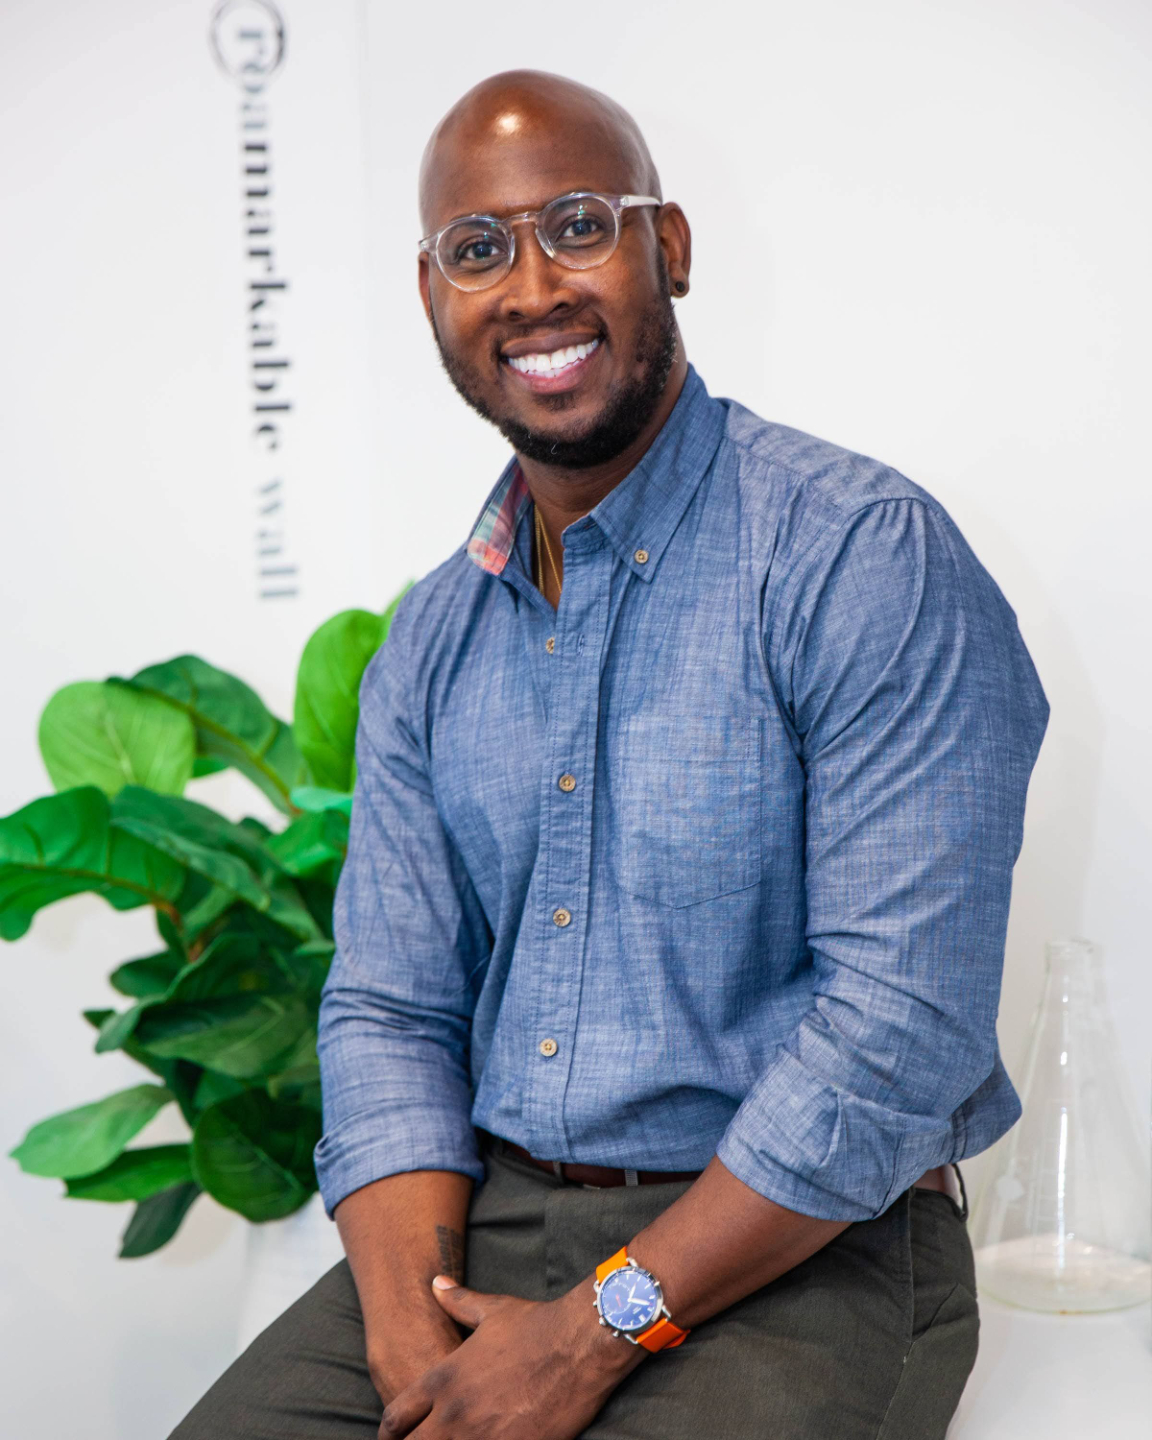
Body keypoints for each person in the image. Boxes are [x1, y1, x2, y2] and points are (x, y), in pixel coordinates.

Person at [169, 68, 1049, 1440]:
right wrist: (411, 1340)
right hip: (493, 1220)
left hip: (801, 1249)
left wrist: (588, 1337)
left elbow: (900, 1033)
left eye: (579, 225)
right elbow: (391, 1010)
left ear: (668, 247)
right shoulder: (431, 640)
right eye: (478, 249)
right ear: (432, 297)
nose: (532, 288)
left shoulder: (861, 557)